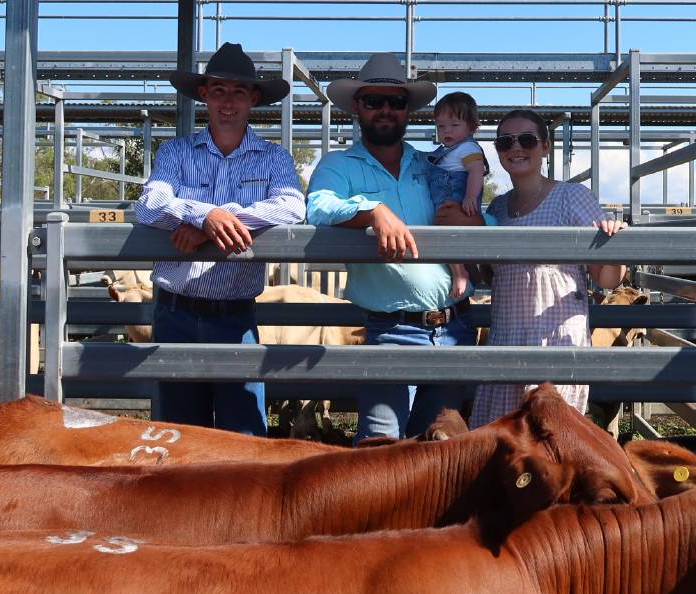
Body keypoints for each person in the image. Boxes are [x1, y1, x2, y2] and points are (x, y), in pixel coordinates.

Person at [134, 42, 305, 436]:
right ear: (204, 95)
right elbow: (149, 205)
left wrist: (217, 219)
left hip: (235, 314)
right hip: (175, 314)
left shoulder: (273, 157)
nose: (228, 102)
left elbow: (293, 207)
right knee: (178, 436)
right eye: (219, 91)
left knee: (243, 437)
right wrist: (203, 213)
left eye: (239, 92)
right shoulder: (175, 151)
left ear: (254, 99)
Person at [307, 53, 475, 442]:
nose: (385, 109)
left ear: (407, 111)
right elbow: (318, 206)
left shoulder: (432, 164)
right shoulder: (340, 166)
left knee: (439, 452)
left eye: (396, 102)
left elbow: (474, 215)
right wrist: (372, 210)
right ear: (356, 107)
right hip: (390, 329)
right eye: (373, 101)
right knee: (380, 449)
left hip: (453, 327)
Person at [460, 109, 627, 428]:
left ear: (545, 148)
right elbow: (492, 275)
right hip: (506, 339)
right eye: (506, 142)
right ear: (498, 151)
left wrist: (614, 243)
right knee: (502, 444)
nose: (516, 148)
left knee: (546, 442)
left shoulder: (571, 197)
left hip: (555, 340)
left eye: (527, 140)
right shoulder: (497, 208)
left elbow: (607, 278)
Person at [427, 91, 494, 299]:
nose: (447, 131)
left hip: (455, 193)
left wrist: (470, 197)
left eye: (454, 125)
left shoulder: (468, 147)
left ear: (472, 127)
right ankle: (464, 269)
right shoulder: (450, 150)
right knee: (445, 232)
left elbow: (476, 172)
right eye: (441, 126)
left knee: (445, 231)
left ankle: (460, 272)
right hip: (445, 194)